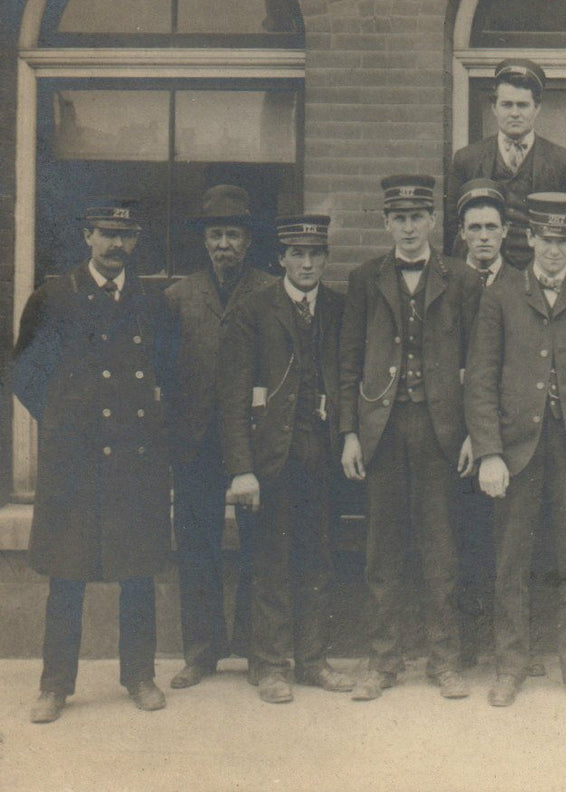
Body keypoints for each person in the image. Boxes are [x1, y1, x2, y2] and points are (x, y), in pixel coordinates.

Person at [13, 200, 175, 723]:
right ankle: (55, 685)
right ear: (87, 236)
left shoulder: (152, 300)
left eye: (126, 236)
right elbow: (26, 374)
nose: (116, 246)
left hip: (135, 458)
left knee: (137, 571)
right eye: (107, 234)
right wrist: (62, 423)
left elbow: (170, 374)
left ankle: (140, 675)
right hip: (74, 460)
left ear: (137, 241)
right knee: (67, 571)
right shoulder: (54, 297)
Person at [465, 192, 566, 708]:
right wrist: (489, 452)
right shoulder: (504, 294)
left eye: (564, 240)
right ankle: (509, 668)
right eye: (545, 239)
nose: (553, 250)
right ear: (529, 238)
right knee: (512, 560)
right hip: (517, 448)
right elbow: (482, 378)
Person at [338, 175, 482, 701]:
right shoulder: (365, 278)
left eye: (416, 217)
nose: (408, 227)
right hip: (382, 430)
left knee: (442, 550)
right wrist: (350, 433)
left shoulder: (462, 279)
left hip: (442, 431)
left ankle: (445, 662)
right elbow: (348, 360)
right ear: (386, 224)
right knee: (384, 552)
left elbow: (477, 362)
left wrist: (472, 434)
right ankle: (383, 662)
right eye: (398, 218)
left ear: (431, 222)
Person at [218, 215, 354, 704]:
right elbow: (232, 396)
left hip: (321, 458)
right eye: (296, 253)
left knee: (317, 559)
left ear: (326, 259)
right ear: (280, 258)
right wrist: (241, 468)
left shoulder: (339, 308)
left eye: (316, 253)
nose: (307, 263)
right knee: (270, 561)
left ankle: (313, 659)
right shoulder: (254, 310)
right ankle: (271, 664)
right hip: (268, 459)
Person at [163, 184, 273, 690]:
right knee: (196, 546)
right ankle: (201, 652)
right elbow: (163, 374)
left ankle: (256, 649)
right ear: (204, 241)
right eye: (215, 234)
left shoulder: (271, 292)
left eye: (233, 234)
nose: (224, 243)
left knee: (260, 544)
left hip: (254, 441)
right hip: (195, 441)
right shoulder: (179, 297)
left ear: (248, 242)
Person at [451, 179, 518, 669]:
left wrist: (488, 436)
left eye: (491, 227)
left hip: (505, 435)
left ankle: (512, 645)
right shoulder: (446, 282)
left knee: (509, 543)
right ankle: (467, 644)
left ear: (506, 231)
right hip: (450, 433)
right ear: (461, 233)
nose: (483, 237)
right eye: (474, 228)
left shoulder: (521, 283)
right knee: (462, 539)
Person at [448, 59, 566, 268]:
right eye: (507, 104)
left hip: (540, 276)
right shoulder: (467, 159)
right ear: (494, 108)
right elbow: (454, 227)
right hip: (485, 273)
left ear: (537, 108)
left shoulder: (563, 162)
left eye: (522, 105)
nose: (514, 113)